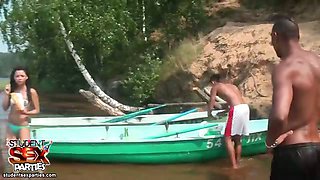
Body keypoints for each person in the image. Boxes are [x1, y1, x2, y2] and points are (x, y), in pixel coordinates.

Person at [266, 15, 320, 179]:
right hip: (317, 149)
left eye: (271, 39)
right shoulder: (317, 62)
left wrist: (270, 142)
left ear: (276, 36)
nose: (272, 45)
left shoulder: (285, 67)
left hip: (292, 152)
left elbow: (280, 115)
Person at [207, 74, 250, 169]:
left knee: (227, 138)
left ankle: (234, 166)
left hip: (237, 110)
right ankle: (238, 162)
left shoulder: (215, 86)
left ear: (213, 82)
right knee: (237, 138)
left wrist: (209, 114)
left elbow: (212, 101)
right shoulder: (232, 86)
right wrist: (226, 110)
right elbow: (233, 100)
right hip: (245, 108)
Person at [2, 66, 40, 140]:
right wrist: (6, 94)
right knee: (11, 150)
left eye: (22, 76)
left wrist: (26, 112)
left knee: (24, 150)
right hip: (11, 125)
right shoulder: (11, 91)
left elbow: (37, 110)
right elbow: (4, 108)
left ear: (26, 77)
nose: (19, 78)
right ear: (14, 78)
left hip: (23, 126)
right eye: (17, 76)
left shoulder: (31, 92)